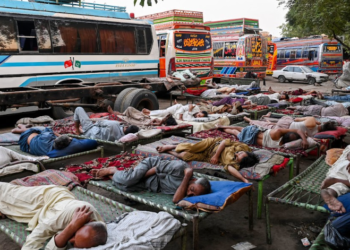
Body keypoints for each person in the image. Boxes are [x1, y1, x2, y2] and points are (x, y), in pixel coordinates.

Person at [0, 182, 107, 249]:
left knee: (11, 211)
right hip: (50, 197)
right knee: (9, 194)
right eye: (74, 236)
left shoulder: (98, 230)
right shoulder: (78, 212)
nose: (70, 240)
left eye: (74, 244)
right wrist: (71, 227)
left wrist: (70, 230)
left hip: (48, 212)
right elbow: (40, 232)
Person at [91, 156, 211, 203]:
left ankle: (117, 175)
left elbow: (176, 200)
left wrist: (186, 179)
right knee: (129, 180)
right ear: (194, 179)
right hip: (151, 167)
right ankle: (113, 171)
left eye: (192, 194)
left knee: (125, 187)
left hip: (153, 183)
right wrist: (137, 177)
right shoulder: (180, 168)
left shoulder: (187, 187)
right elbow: (156, 168)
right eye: (192, 189)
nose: (189, 193)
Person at [155, 138, 259, 183]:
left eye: (238, 157)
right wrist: (217, 156)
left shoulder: (234, 164)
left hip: (207, 157)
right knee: (193, 147)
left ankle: (168, 151)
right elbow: (224, 142)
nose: (237, 154)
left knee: (186, 156)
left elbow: (232, 169)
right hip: (212, 144)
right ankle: (172, 145)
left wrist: (244, 180)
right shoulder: (243, 147)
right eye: (239, 153)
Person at [217, 125, 309, 149]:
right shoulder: (281, 145)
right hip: (249, 140)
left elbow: (298, 130)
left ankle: (221, 127)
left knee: (237, 128)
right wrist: (304, 139)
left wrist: (304, 138)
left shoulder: (278, 132)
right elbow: (298, 135)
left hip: (253, 132)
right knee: (234, 132)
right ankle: (222, 128)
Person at [74, 107, 139, 141]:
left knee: (79, 109)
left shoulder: (114, 124)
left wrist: (83, 128)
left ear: (127, 127)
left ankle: (78, 130)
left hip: (91, 130)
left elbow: (99, 122)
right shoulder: (121, 138)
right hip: (95, 138)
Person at [243, 115, 338, 137]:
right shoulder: (315, 134)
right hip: (285, 130)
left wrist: (315, 121)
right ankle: (251, 120)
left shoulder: (312, 120)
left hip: (287, 124)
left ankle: (249, 119)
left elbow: (297, 119)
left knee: (270, 124)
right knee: (267, 125)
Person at [321, 145, 350, 214]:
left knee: (339, 186)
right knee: (341, 185)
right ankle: (329, 192)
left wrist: (336, 180)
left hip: (336, 172)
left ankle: (329, 193)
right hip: (344, 167)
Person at [107, 106, 177, 127]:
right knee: (130, 109)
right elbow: (155, 119)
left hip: (143, 122)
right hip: (144, 119)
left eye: (166, 118)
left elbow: (151, 123)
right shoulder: (161, 121)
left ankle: (121, 114)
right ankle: (122, 114)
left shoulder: (161, 124)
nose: (165, 118)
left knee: (128, 115)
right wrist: (155, 119)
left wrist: (157, 121)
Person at [143, 100, 208, 121]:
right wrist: (180, 118)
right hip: (177, 109)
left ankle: (149, 112)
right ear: (200, 111)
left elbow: (189, 116)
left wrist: (190, 110)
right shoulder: (195, 107)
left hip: (175, 114)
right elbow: (183, 108)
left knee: (164, 113)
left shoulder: (195, 119)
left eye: (199, 117)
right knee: (164, 112)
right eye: (199, 115)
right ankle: (148, 112)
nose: (197, 116)